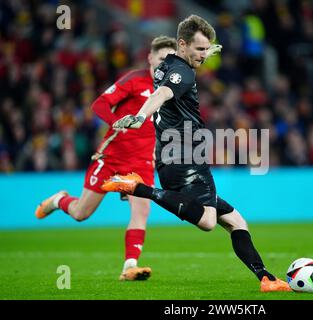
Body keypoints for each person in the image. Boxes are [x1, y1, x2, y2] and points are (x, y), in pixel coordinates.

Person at [101, 15, 291, 292]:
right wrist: (140, 116)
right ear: (182, 44)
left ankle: (266, 279)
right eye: (200, 49)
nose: (204, 55)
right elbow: (164, 93)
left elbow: (167, 75)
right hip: (187, 156)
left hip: (171, 158)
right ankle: (138, 188)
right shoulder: (183, 73)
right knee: (208, 221)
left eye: (207, 48)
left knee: (236, 221)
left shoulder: (167, 64)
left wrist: (204, 51)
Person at [34, 36, 177, 281]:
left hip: (141, 163)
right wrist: (115, 123)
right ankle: (60, 200)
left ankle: (129, 266)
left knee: (142, 210)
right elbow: (99, 104)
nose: (166, 64)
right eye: (162, 58)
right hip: (111, 158)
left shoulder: (173, 89)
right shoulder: (135, 79)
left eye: (171, 60)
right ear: (150, 58)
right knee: (81, 213)